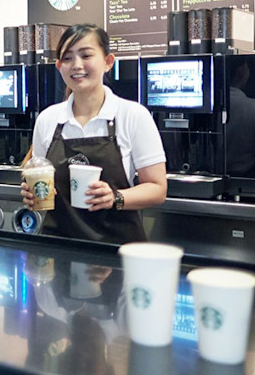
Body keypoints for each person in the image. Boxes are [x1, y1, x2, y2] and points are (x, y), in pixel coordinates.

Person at [21, 24, 166, 243]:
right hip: (58, 247)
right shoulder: (47, 120)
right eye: (67, 58)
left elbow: (157, 189)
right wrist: (34, 195)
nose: (77, 65)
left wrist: (115, 198)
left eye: (86, 55)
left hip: (115, 251)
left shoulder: (132, 115)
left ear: (108, 62)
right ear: (59, 66)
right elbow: (42, 181)